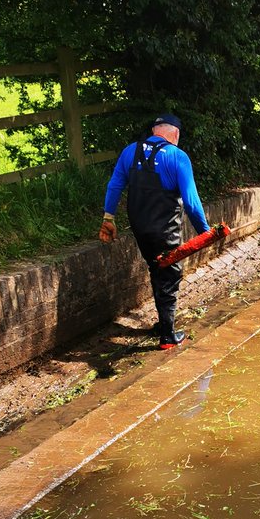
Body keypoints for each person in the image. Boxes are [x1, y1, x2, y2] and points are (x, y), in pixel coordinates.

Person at [99, 114, 209, 349]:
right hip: (164, 228)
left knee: (157, 267)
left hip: (139, 227)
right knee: (169, 274)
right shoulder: (178, 157)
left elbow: (115, 185)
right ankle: (168, 336)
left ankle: (163, 323)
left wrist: (109, 218)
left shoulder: (130, 151)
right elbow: (191, 201)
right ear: (176, 134)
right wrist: (206, 232)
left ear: (153, 131)